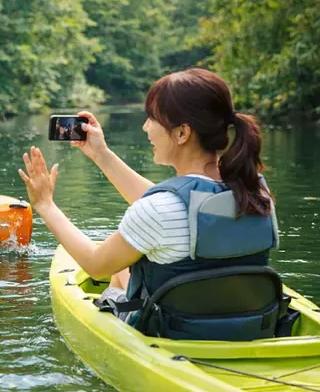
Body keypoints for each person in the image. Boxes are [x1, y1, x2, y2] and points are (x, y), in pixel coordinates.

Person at [19, 68, 278, 328]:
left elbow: (96, 266)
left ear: (182, 133)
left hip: (175, 333)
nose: (145, 127)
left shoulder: (159, 209)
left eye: (152, 118)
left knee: (118, 273)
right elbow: (173, 206)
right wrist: (101, 154)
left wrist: (46, 205)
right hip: (248, 323)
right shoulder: (256, 192)